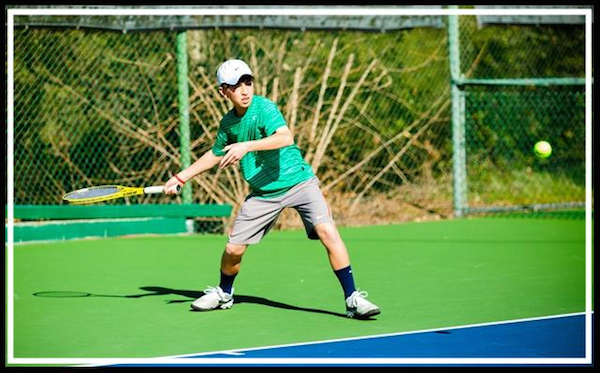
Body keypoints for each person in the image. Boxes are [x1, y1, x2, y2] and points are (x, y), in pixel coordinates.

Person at [164, 59, 380, 319]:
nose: (244, 90)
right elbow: (215, 153)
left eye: (248, 82)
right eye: (236, 85)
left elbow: (284, 137)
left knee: (327, 231)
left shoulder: (264, 107)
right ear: (224, 91)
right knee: (233, 250)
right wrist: (181, 177)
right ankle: (224, 292)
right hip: (264, 194)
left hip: (300, 182)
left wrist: (246, 146)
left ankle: (353, 299)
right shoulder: (228, 124)